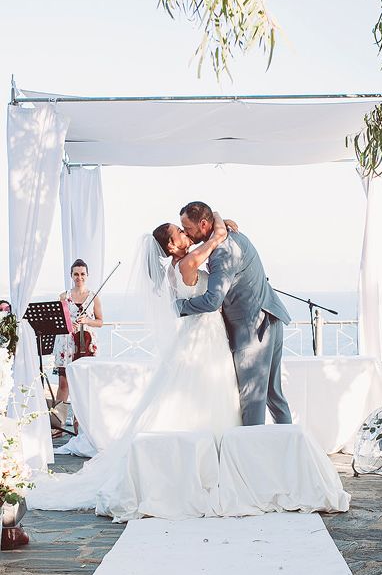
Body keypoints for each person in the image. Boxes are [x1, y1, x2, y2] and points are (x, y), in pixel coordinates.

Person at [28, 211, 240, 519]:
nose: (185, 233)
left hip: (202, 338)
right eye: (179, 232)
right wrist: (219, 220)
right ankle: (205, 469)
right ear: (171, 246)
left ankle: (209, 463)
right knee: (207, 396)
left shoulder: (177, 265)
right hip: (203, 340)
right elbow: (216, 238)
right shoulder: (186, 262)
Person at [177, 201, 292, 426]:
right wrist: (219, 218)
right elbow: (214, 215)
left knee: (252, 399)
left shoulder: (221, 253)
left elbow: (212, 301)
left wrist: (178, 307)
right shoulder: (229, 234)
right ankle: (289, 451)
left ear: (203, 223)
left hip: (254, 329)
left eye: (188, 228)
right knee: (273, 395)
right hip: (271, 316)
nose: (187, 234)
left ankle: (250, 457)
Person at [51, 259, 104, 436]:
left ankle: (80, 424)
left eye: (82, 274)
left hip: (86, 343)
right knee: (63, 383)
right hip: (66, 343)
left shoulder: (94, 296)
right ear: (71, 276)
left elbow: (100, 322)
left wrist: (87, 321)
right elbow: (59, 321)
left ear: (87, 276)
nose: (79, 277)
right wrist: (69, 324)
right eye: (76, 274)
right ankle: (57, 426)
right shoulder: (63, 296)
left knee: (83, 385)